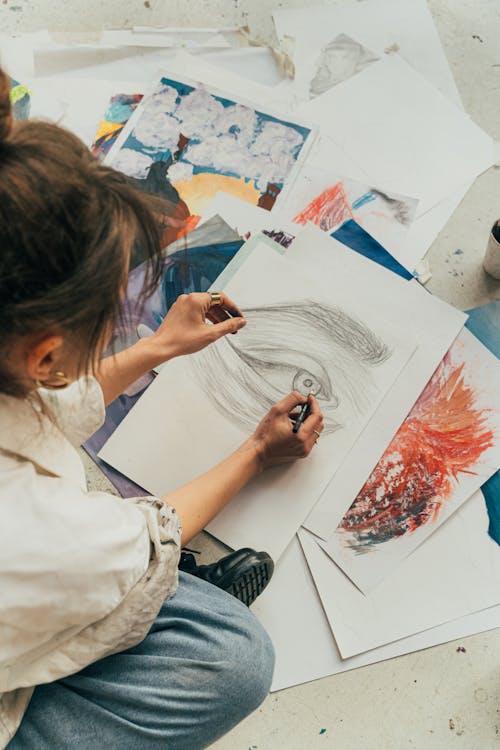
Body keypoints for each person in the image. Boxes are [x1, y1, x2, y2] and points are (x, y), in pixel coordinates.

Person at [0, 68, 324, 750]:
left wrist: (154, 348)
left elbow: (38, 408)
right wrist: (257, 452)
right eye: (106, 317)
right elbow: (146, 538)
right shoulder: (49, 533)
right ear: (45, 355)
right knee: (233, 659)